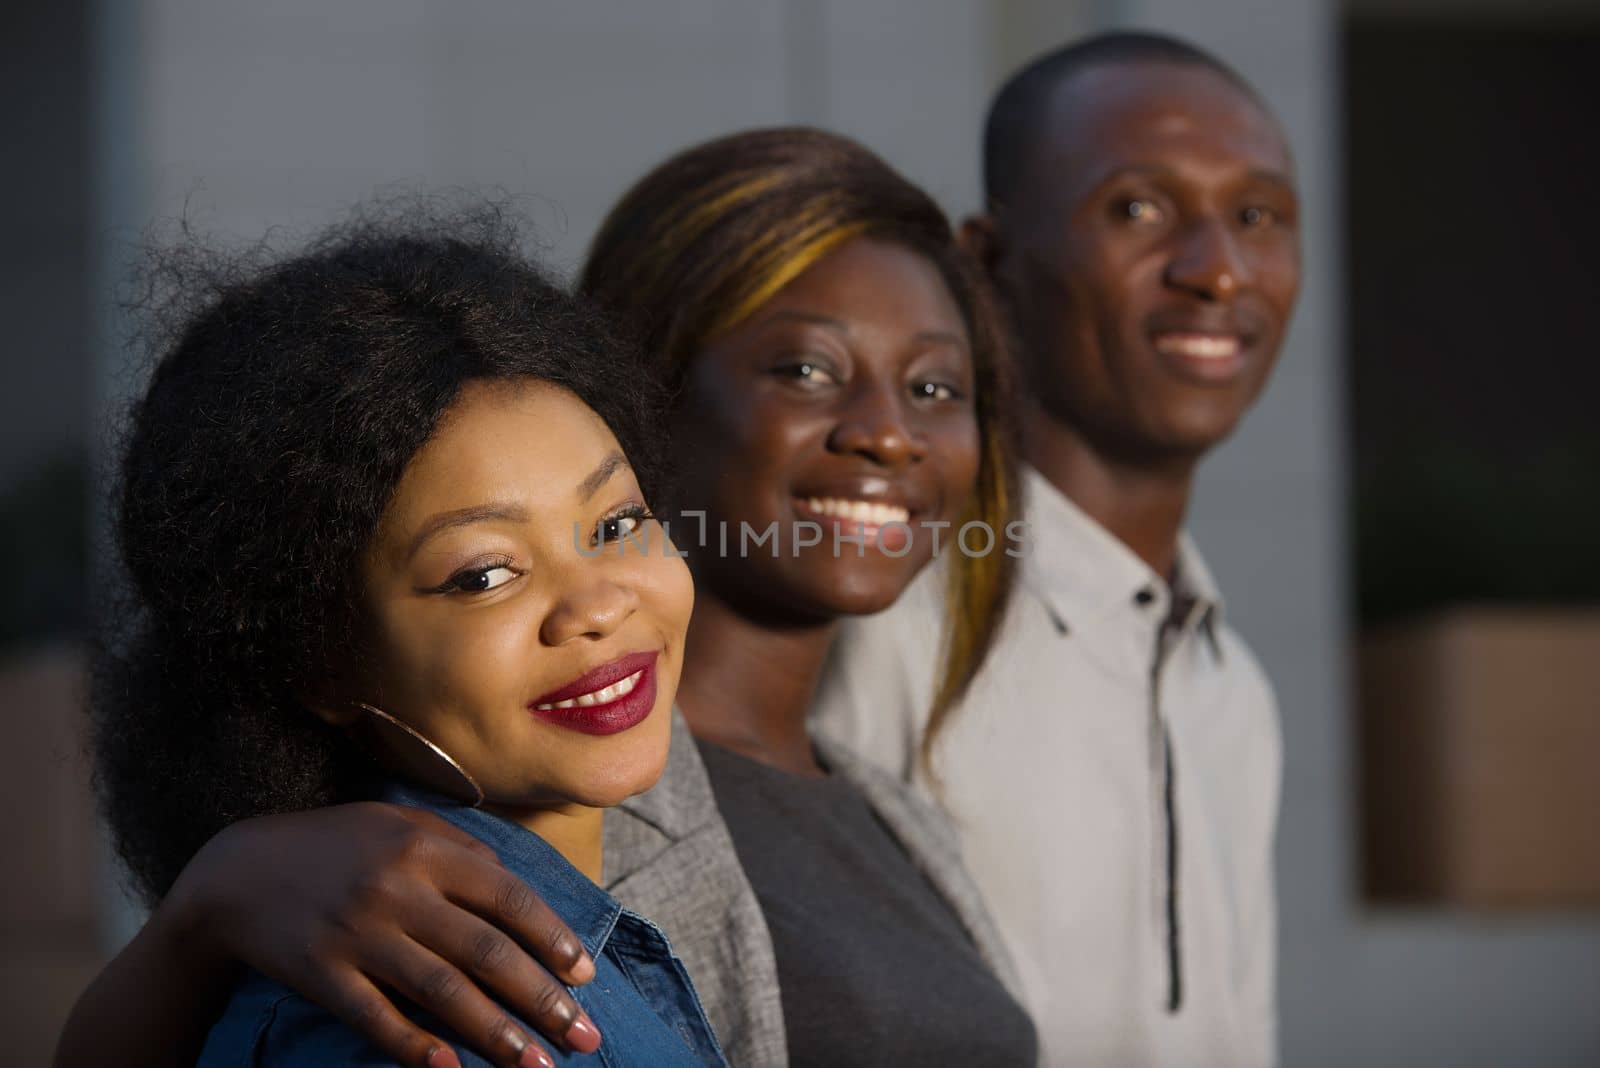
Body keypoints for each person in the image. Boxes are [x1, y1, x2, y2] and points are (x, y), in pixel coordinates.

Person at [57, 131, 1037, 1068]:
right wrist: (206, 909)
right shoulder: (425, 930)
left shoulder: (891, 812)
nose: (887, 433)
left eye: (613, 525)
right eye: (485, 573)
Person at [90, 209, 721, 1066]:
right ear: (323, 662)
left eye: (616, 523)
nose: (595, 606)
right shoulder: (418, 1022)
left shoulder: (592, 914)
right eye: (486, 574)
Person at [813, 32, 1301, 1068]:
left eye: (1257, 216)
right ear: (986, 263)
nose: (1217, 270)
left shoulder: (1236, 694)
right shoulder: (883, 616)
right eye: (1137, 208)